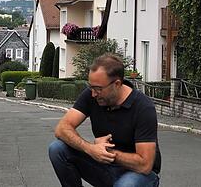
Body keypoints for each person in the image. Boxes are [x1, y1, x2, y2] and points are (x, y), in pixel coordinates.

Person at [48, 54, 161, 187]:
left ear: (117, 84)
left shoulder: (143, 107)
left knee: (126, 185)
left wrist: (107, 153)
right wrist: (90, 148)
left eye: (98, 89)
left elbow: (145, 165)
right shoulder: (92, 95)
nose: (93, 94)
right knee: (57, 149)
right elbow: (62, 128)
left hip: (137, 174)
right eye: (91, 87)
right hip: (104, 167)